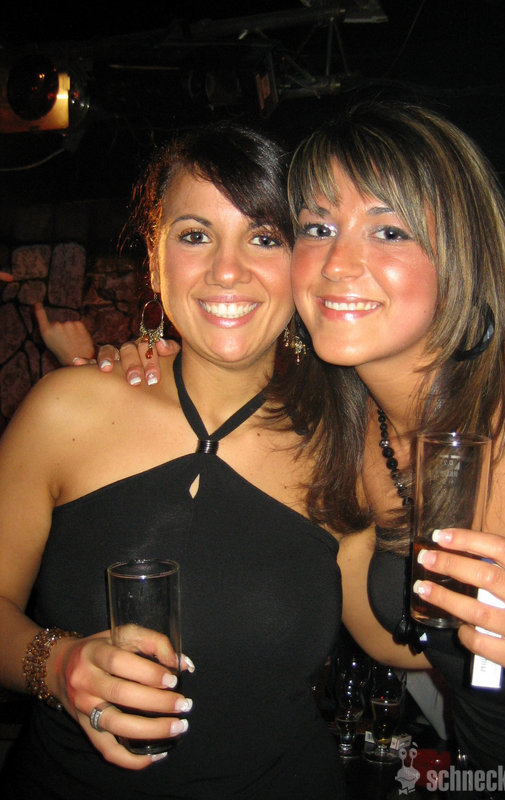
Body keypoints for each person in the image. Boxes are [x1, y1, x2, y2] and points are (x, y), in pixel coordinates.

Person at [114, 102, 505, 797]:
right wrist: (144, 367)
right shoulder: (348, 433)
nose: (338, 264)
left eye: (389, 231)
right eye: (317, 228)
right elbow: (392, 638)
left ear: (461, 252)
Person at [0, 120, 404, 800]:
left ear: (302, 262)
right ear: (155, 259)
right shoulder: (64, 410)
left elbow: (395, 636)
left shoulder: (341, 442)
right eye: (195, 236)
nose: (227, 270)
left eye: (264, 238)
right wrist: (58, 664)